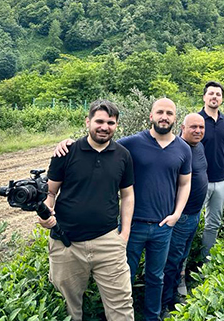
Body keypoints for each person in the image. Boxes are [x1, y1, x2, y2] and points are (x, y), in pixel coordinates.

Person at [53, 98, 192, 321]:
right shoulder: (132, 144)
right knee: (124, 278)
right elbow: (99, 145)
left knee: (156, 277)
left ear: (175, 118)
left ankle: (152, 317)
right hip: (134, 225)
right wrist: (67, 143)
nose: (164, 117)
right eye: (159, 112)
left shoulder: (182, 148)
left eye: (169, 113)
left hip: (162, 226)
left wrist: (176, 215)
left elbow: (185, 183)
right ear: (151, 116)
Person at [39, 100, 136, 320]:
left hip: (108, 242)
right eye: (99, 121)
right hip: (66, 243)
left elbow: (128, 195)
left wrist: (124, 234)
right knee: (68, 308)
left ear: (116, 125)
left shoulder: (123, 155)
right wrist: (46, 212)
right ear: (88, 122)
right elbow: (50, 191)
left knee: (121, 305)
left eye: (110, 123)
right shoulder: (66, 152)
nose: (104, 127)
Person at [161, 113, 208, 315]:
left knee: (181, 259)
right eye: (193, 127)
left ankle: (173, 295)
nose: (198, 131)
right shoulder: (177, 149)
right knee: (172, 261)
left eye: (201, 127)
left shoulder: (199, 146)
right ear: (182, 127)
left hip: (195, 214)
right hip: (181, 217)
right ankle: (164, 305)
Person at [199, 81, 224, 260]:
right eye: (211, 93)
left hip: (222, 180)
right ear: (204, 97)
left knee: (213, 224)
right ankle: (181, 267)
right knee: (190, 224)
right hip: (199, 181)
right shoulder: (196, 120)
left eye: (218, 94)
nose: (214, 97)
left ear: (222, 99)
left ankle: (205, 262)